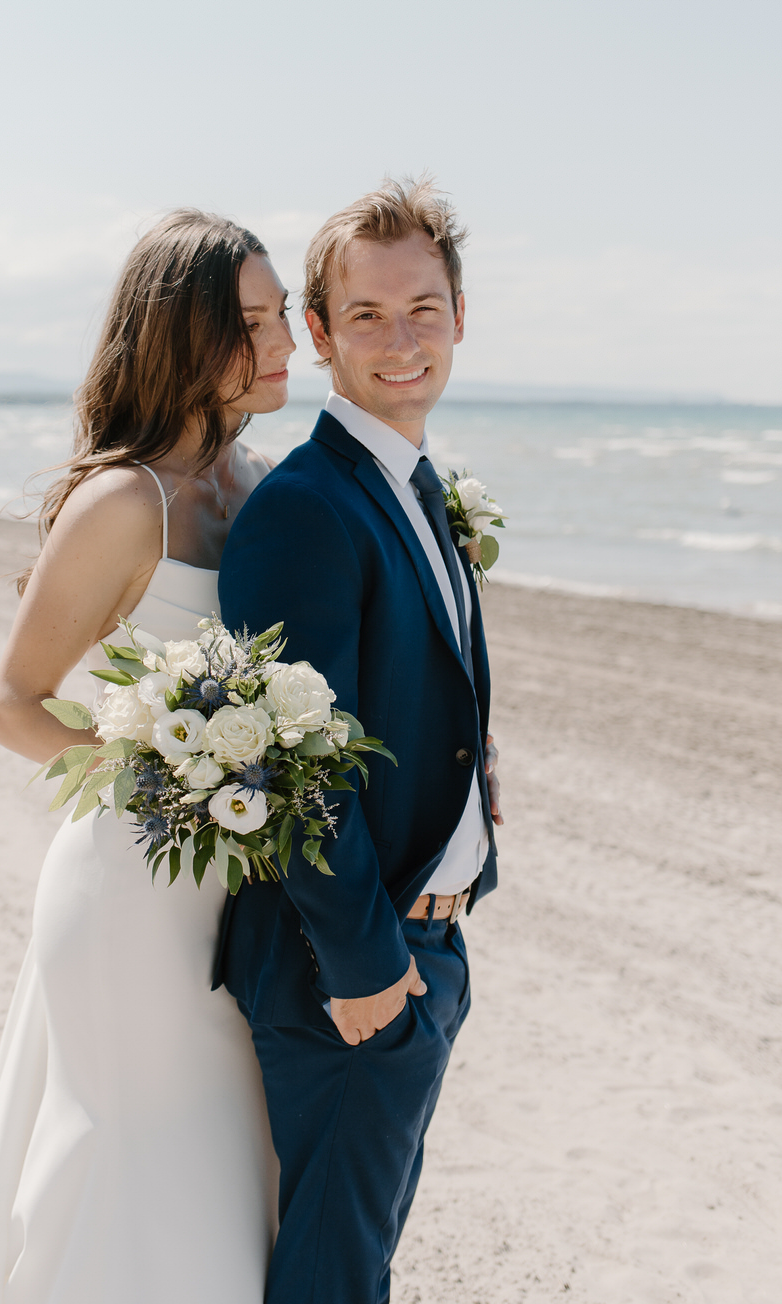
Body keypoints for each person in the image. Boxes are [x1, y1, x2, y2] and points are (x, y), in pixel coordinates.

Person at [0, 210, 295, 1304]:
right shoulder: (125, 501)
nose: (284, 344)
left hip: (237, 890)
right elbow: (10, 705)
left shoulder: (255, 481)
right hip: (130, 888)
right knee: (128, 1163)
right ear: (184, 333)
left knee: (221, 1168)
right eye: (253, 322)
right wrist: (172, 776)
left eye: (277, 317)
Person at [216, 175, 504, 1304]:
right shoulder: (306, 506)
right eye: (367, 316)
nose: (400, 340)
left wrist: (476, 805)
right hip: (352, 973)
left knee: (351, 1265)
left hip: (421, 950)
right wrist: (369, 967)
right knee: (332, 1282)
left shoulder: (411, 486)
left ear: (459, 316)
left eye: (421, 308)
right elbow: (289, 764)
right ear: (321, 333)